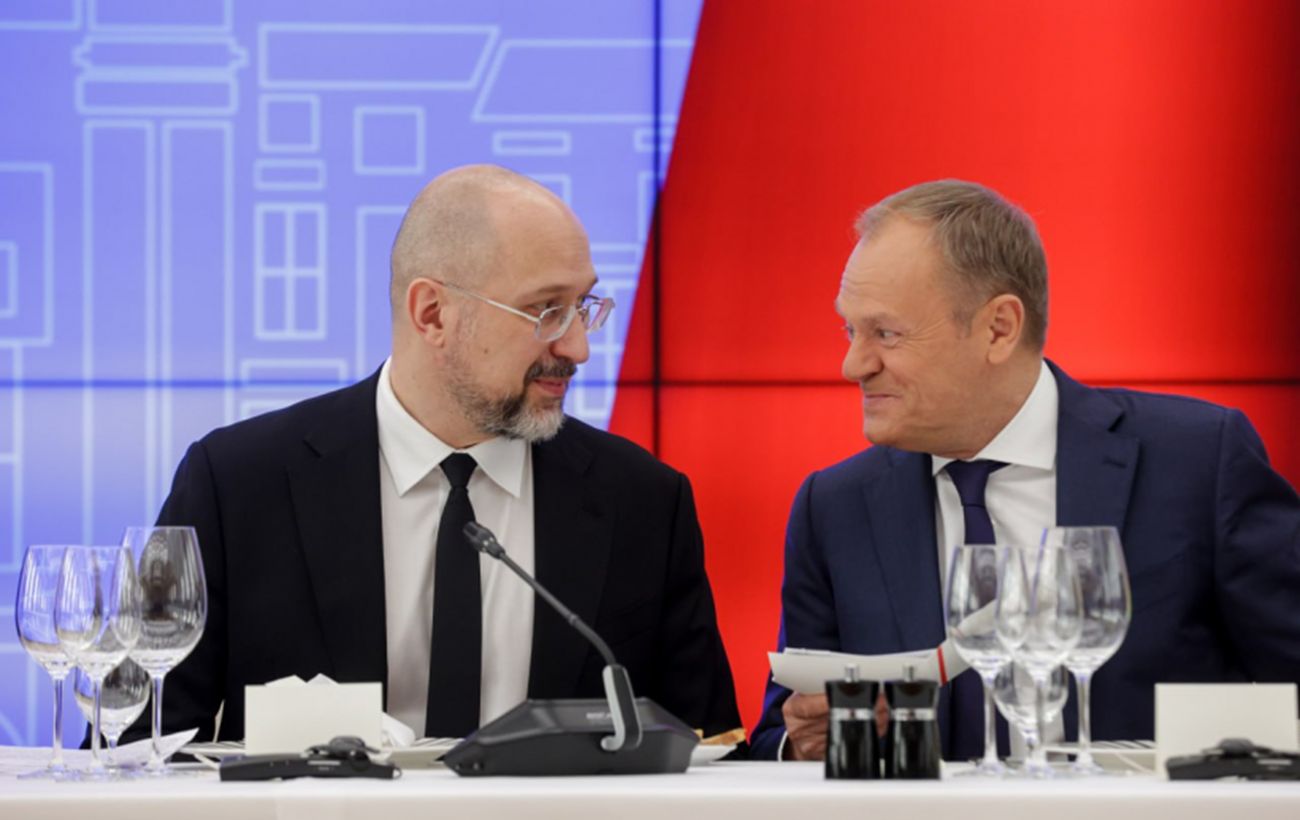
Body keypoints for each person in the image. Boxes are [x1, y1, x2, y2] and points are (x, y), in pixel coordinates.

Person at [146, 164, 741, 743]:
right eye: (547, 312)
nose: (578, 347)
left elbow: (711, 747)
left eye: (584, 307)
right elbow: (138, 737)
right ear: (432, 314)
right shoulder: (236, 485)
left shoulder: (642, 501)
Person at [749, 179, 1300, 761]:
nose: (852, 364)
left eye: (886, 333)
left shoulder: (1197, 461)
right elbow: (777, 739)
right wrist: (808, 743)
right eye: (850, 330)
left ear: (999, 329)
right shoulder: (835, 507)